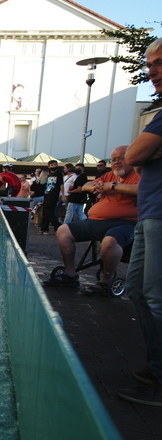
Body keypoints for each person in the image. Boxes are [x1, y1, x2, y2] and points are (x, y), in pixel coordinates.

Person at [118, 38, 162, 405]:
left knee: (157, 298)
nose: (152, 71)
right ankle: (156, 366)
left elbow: (133, 155)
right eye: (148, 64)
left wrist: (143, 152)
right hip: (149, 214)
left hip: (158, 215)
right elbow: (135, 155)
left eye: (160, 62)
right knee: (137, 291)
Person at [43, 146, 140, 296]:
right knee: (63, 230)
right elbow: (86, 185)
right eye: (113, 160)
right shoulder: (109, 175)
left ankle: (105, 282)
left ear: (132, 159)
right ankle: (70, 274)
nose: (116, 162)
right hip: (95, 221)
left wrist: (114, 186)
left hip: (124, 223)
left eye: (121, 158)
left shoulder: (140, 175)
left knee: (110, 241)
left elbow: (141, 189)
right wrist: (96, 186)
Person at [39, 160, 64, 234]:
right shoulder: (48, 174)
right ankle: (44, 228)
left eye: (55, 165)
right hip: (47, 194)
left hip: (53, 195)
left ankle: (58, 226)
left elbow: (61, 184)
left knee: (49, 212)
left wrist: (63, 195)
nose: (53, 166)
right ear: (49, 166)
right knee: (45, 212)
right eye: (52, 165)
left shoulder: (58, 174)